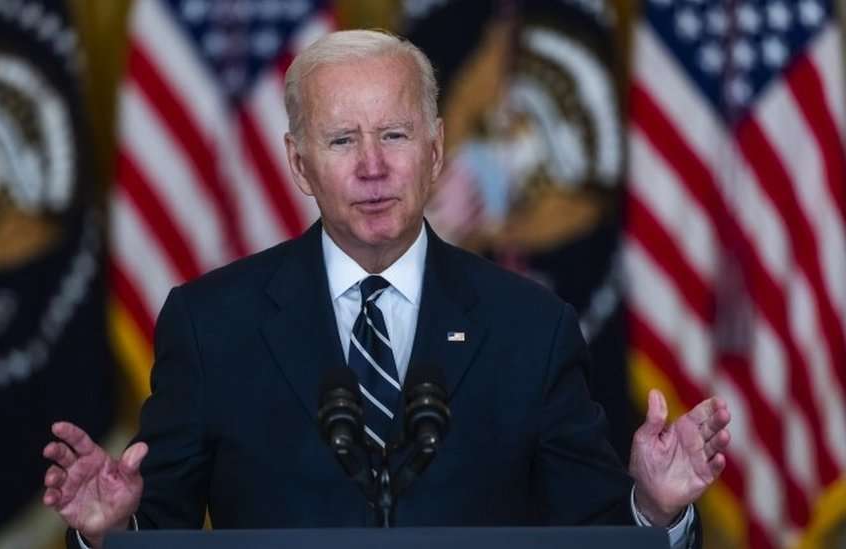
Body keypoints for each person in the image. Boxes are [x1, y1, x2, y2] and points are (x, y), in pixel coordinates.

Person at [42, 30, 731, 549]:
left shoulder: (532, 327)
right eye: (342, 140)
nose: (373, 166)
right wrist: (113, 527)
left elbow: (593, 533)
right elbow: (159, 526)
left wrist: (653, 508)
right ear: (299, 162)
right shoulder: (211, 323)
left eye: (394, 135)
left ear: (434, 151)